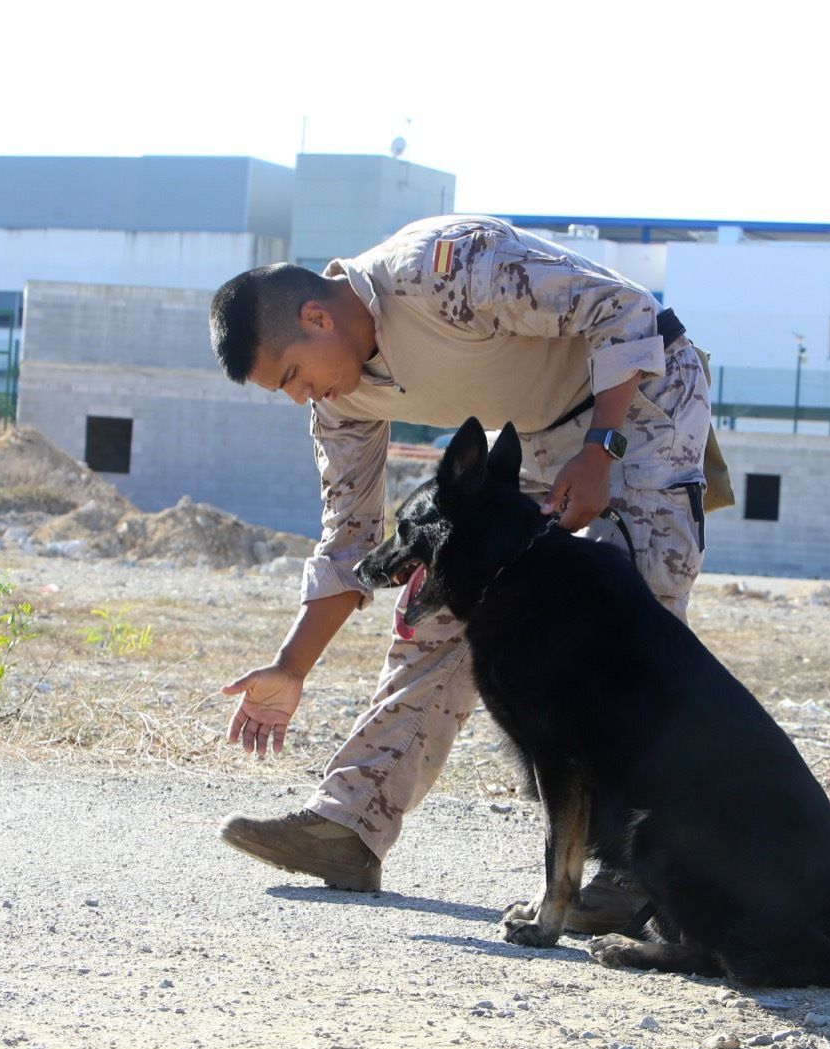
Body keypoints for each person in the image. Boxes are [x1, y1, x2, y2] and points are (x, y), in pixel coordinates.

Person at [206, 215, 718, 931]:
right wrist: (291, 666)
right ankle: (349, 828)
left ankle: (639, 870)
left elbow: (626, 310)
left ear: (318, 317)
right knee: (441, 606)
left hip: (638, 397)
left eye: (293, 375)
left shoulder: (444, 268)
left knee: (637, 611)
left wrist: (602, 448)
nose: (301, 397)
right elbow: (351, 540)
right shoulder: (339, 399)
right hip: (535, 434)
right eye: (285, 390)